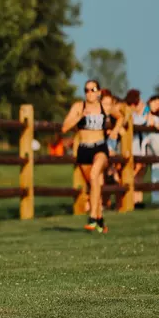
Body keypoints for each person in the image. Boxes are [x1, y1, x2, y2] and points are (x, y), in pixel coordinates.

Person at [62, 80, 123, 233]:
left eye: (92, 89)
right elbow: (64, 128)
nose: (89, 93)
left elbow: (121, 117)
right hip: (83, 149)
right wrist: (79, 117)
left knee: (95, 174)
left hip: (100, 147)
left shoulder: (105, 107)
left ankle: (92, 218)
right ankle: (100, 219)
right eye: (86, 90)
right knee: (93, 184)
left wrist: (115, 130)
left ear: (99, 91)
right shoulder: (78, 106)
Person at [143, 95, 159, 205]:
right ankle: (157, 200)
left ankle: (158, 200)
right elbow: (145, 116)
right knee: (157, 172)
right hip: (154, 148)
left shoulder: (157, 117)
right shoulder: (145, 113)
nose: (156, 106)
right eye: (155, 102)